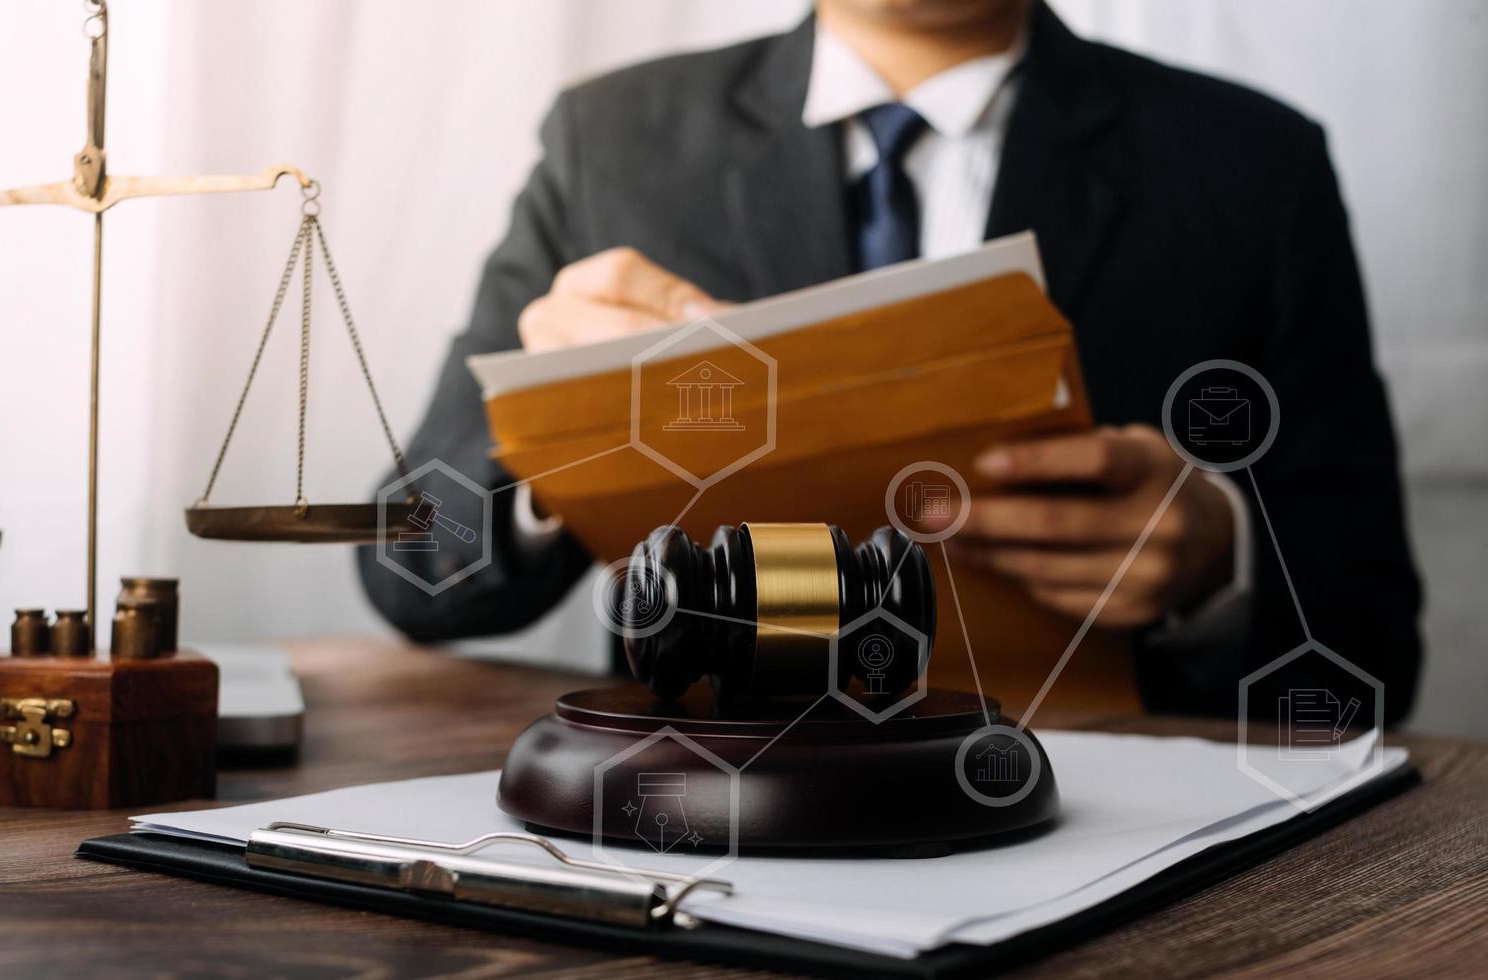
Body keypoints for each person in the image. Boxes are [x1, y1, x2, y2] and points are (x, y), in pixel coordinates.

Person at [359, 0, 1423, 721]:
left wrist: (1216, 566)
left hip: (1104, 823)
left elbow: (1374, 651)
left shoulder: (1250, 163)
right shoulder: (610, 139)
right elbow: (405, 550)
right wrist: (562, 450)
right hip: (712, 804)